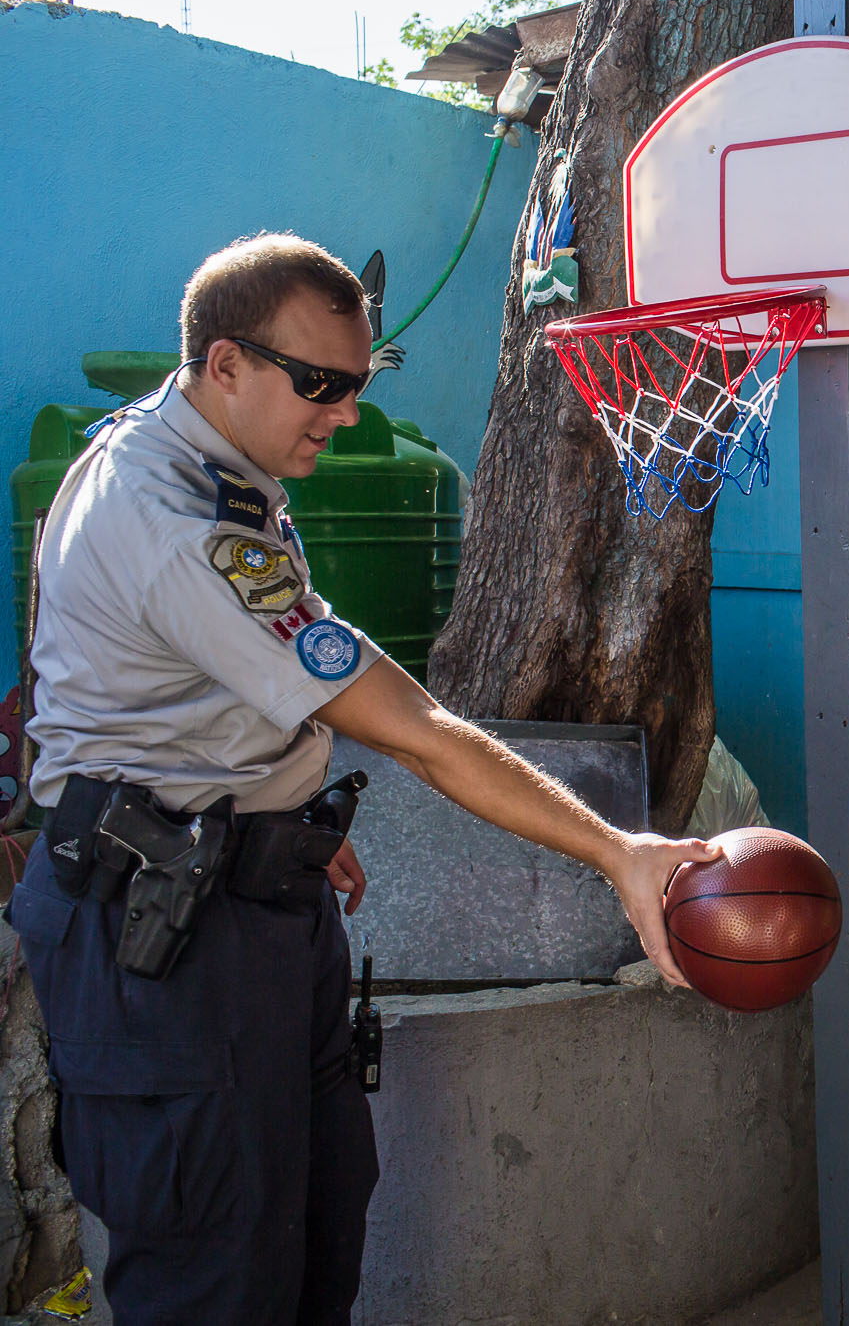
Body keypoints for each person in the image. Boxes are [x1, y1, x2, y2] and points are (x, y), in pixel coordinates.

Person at [2, 233, 711, 1324]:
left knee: (318, 1231)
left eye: (360, 383)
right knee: (217, 1278)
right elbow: (417, 728)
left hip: (232, 892)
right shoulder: (174, 519)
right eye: (320, 385)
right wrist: (621, 853)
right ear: (225, 363)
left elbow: (191, 702)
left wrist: (277, 815)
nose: (342, 412)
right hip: (163, 946)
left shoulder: (210, 460)